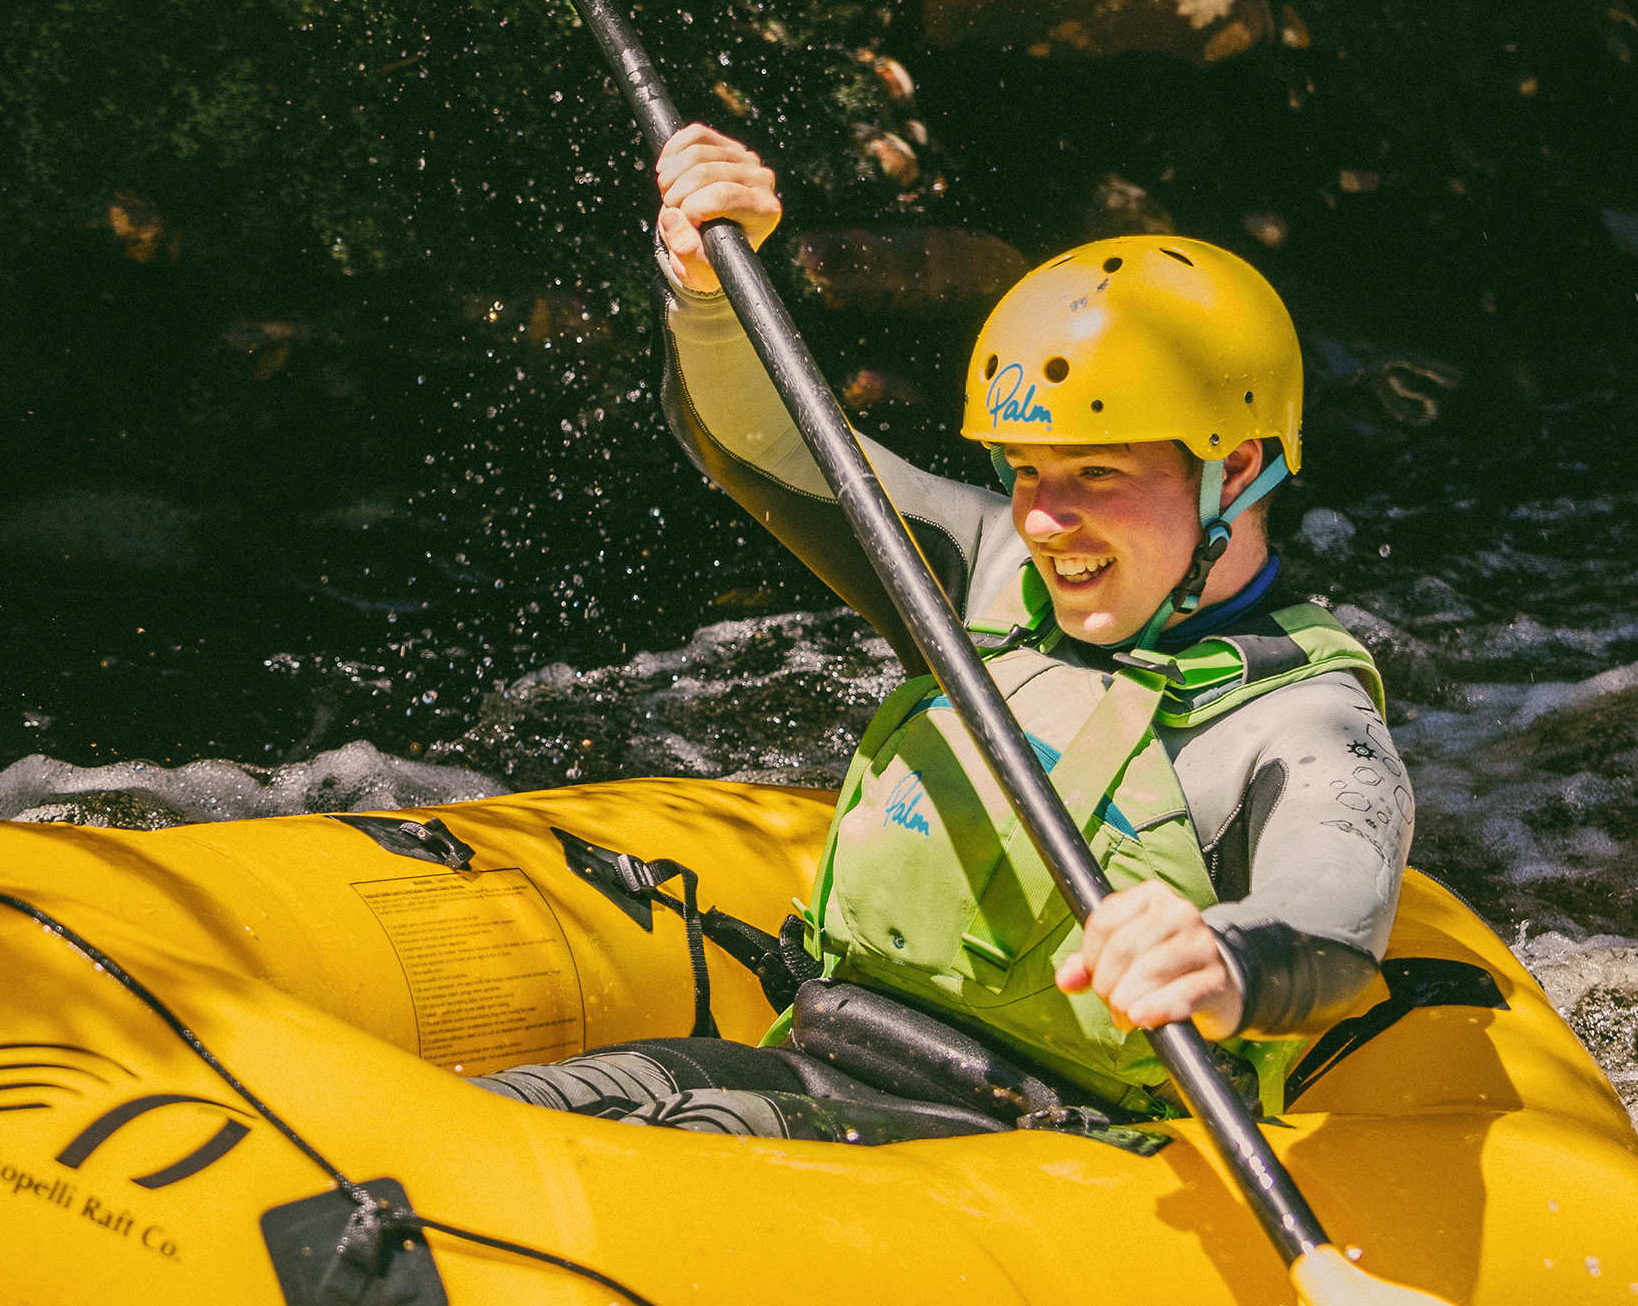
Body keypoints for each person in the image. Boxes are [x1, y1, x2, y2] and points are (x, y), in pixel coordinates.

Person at [473, 126, 1412, 1145]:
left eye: (1095, 472)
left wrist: (1225, 955)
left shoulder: (1302, 716)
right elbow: (764, 447)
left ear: (1234, 471)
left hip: (1048, 1148)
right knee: (505, 1120)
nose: (1044, 523)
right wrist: (707, 290)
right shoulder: (987, 575)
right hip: (829, 1053)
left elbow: (1335, 911)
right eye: (1023, 471)